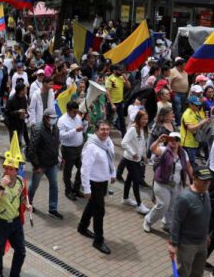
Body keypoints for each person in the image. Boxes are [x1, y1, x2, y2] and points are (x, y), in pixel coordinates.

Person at [0, 156, 31, 277]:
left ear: (17, 170)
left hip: (15, 223)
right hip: (0, 223)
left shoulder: (20, 181)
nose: (7, 171)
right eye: (6, 168)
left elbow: (21, 196)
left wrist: (26, 204)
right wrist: (1, 187)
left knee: (21, 252)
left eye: (11, 169)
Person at [78, 121, 116, 254]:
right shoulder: (91, 147)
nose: (105, 132)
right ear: (96, 131)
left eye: (107, 129)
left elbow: (111, 158)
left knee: (92, 205)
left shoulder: (108, 141)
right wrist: (86, 189)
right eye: (102, 129)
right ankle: (98, 241)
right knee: (99, 212)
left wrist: (113, 173)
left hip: (103, 181)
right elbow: (84, 170)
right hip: (94, 183)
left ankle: (82, 227)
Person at [168, 166, 213, 277]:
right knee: (184, 272)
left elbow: (204, 216)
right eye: (204, 180)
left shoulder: (206, 194)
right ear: (194, 178)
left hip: (202, 243)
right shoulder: (184, 198)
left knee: (198, 273)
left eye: (209, 180)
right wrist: (174, 244)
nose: (207, 183)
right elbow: (176, 222)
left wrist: (206, 234)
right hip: (187, 245)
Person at [144, 132, 191, 233]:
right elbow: (152, 149)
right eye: (172, 139)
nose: (174, 141)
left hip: (177, 185)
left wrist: (193, 179)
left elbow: (188, 167)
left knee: (173, 206)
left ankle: (167, 224)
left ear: (180, 142)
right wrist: (158, 140)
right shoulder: (164, 150)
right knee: (163, 205)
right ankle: (148, 220)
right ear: (168, 141)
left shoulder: (183, 153)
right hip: (162, 183)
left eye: (177, 139)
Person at [28, 108, 63, 219]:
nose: (54, 120)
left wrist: (59, 157)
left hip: (52, 163)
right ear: (46, 118)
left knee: (54, 186)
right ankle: (27, 202)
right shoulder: (38, 129)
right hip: (41, 165)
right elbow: (32, 149)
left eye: (55, 118)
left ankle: (53, 209)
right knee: (34, 185)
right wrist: (36, 165)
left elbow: (56, 144)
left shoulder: (55, 129)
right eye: (52, 118)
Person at [119, 111, 150, 214]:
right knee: (136, 180)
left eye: (146, 119)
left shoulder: (143, 129)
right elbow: (123, 143)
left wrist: (144, 156)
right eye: (143, 119)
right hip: (130, 159)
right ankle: (139, 204)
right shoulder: (133, 129)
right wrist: (133, 153)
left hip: (138, 159)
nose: (145, 121)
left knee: (129, 178)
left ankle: (125, 198)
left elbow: (143, 144)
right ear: (138, 119)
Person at [58, 101, 86, 201]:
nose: (76, 114)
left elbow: (82, 129)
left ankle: (76, 189)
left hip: (79, 148)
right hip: (68, 149)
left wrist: (85, 125)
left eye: (77, 111)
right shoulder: (62, 120)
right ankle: (68, 191)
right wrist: (75, 130)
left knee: (82, 168)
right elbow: (61, 136)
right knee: (67, 172)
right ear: (68, 110)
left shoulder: (77, 117)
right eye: (74, 112)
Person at [180, 95, 210, 167]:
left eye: (198, 105)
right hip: (188, 144)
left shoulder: (196, 112)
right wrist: (202, 122)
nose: (197, 107)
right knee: (189, 164)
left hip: (195, 141)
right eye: (196, 105)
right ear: (190, 104)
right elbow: (190, 128)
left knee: (191, 163)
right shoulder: (187, 114)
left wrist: (206, 121)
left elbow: (201, 122)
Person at [105, 65, 131, 136]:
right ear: (114, 70)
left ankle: (124, 135)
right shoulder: (110, 79)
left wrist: (126, 79)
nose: (121, 72)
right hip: (112, 103)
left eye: (122, 70)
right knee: (109, 120)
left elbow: (128, 87)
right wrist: (112, 104)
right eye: (119, 70)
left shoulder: (121, 77)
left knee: (122, 120)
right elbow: (107, 92)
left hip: (120, 102)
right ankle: (106, 135)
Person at [169, 58, 189, 125]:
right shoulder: (172, 71)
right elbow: (168, 83)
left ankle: (182, 122)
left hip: (184, 94)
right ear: (179, 65)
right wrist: (170, 92)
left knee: (183, 109)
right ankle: (178, 123)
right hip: (176, 93)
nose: (185, 66)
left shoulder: (184, 71)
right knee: (178, 108)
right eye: (184, 65)